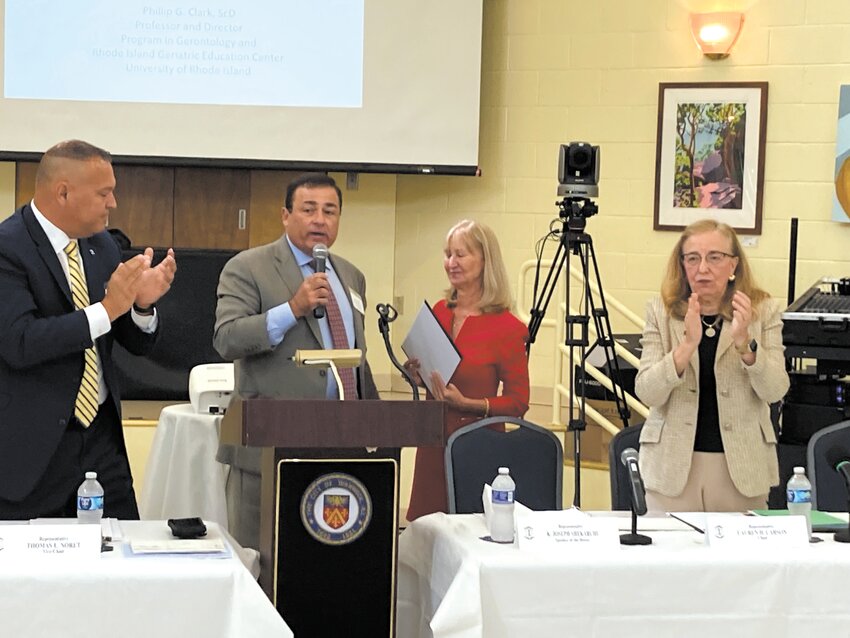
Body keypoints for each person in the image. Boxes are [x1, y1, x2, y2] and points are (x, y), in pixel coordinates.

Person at [0, 139, 177, 520]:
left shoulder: (102, 247)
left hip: (101, 441)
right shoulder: (7, 247)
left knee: (121, 561)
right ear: (63, 192)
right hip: (34, 449)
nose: (113, 203)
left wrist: (140, 305)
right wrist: (108, 308)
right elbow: (20, 342)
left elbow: (129, 341)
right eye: (104, 193)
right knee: (30, 574)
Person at [213, 172, 378, 548]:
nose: (320, 219)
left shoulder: (352, 276)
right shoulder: (248, 267)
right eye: (308, 209)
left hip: (342, 447)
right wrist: (292, 308)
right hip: (269, 448)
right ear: (285, 215)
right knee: (260, 563)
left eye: (330, 211)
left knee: (330, 561)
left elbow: (354, 354)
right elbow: (227, 339)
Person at [634, 218, 789, 512]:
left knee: (738, 559)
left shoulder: (763, 311)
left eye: (714, 258)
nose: (702, 268)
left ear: (733, 265)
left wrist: (745, 344)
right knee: (671, 557)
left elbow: (775, 390)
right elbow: (647, 392)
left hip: (741, 468)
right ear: (682, 265)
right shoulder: (660, 311)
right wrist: (685, 347)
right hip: (672, 468)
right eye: (693, 258)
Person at [405, 219, 530, 521]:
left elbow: (517, 403)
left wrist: (468, 405)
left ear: (485, 260)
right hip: (432, 445)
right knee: (426, 538)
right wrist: (413, 374)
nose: (451, 263)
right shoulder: (438, 310)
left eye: (461, 255)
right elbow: (431, 377)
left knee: (471, 533)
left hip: (478, 447)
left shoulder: (508, 328)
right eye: (448, 254)